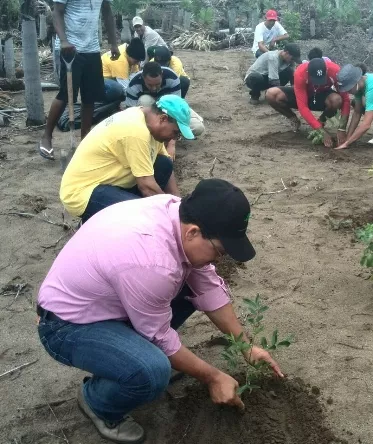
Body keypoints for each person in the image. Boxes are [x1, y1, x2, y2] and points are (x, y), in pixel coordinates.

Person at [37, 177, 284, 444]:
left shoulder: (176, 213)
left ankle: (123, 358)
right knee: (152, 370)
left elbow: (208, 287)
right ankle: (97, 402)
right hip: (65, 326)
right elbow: (159, 336)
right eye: (220, 251)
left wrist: (245, 346)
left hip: (107, 302)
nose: (219, 259)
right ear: (193, 232)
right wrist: (213, 377)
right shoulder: (152, 261)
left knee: (188, 288)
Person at [60, 95, 193, 223]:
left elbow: (166, 165)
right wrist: (172, 215)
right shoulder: (136, 131)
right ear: (163, 119)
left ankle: (105, 215)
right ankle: (92, 222)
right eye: (175, 132)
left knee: (164, 164)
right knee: (145, 216)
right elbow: (147, 187)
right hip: (83, 191)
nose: (174, 139)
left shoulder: (149, 122)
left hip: (108, 182)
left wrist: (179, 205)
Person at [38, 0, 119, 161]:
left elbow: (107, 13)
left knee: (90, 98)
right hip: (70, 48)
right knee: (65, 95)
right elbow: (57, 12)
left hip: (92, 49)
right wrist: (63, 41)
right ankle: (46, 136)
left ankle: (85, 142)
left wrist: (114, 43)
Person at [266, 58, 350, 147]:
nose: (318, 83)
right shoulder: (300, 72)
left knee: (337, 100)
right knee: (272, 94)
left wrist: (342, 128)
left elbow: (346, 99)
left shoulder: (335, 71)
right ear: (308, 73)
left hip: (323, 95)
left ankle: (321, 121)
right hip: (303, 95)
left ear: (326, 71)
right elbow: (302, 107)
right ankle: (293, 118)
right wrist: (321, 131)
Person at [125, 62, 205, 139]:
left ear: (162, 75)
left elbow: (176, 107)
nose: (154, 88)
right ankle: (153, 133)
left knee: (197, 127)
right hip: (150, 110)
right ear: (143, 76)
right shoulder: (133, 85)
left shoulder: (172, 77)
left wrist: (171, 143)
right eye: (150, 85)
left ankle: (171, 134)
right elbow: (131, 114)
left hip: (171, 108)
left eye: (157, 84)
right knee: (144, 100)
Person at [334, 64, 373, 149]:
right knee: (356, 103)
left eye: (349, 89)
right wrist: (348, 138)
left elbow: (366, 125)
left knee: (366, 102)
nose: (348, 92)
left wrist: (346, 144)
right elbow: (357, 113)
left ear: (356, 82)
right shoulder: (361, 84)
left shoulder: (371, 88)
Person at [101, 38, 145, 103]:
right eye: (136, 61)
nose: (138, 64)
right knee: (118, 89)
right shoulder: (120, 61)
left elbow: (134, 77)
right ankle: (103, 102)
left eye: (139, 61)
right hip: (99, 81)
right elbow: (126, 87)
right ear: (129, 56)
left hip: (113, 78)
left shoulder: (131, 53)